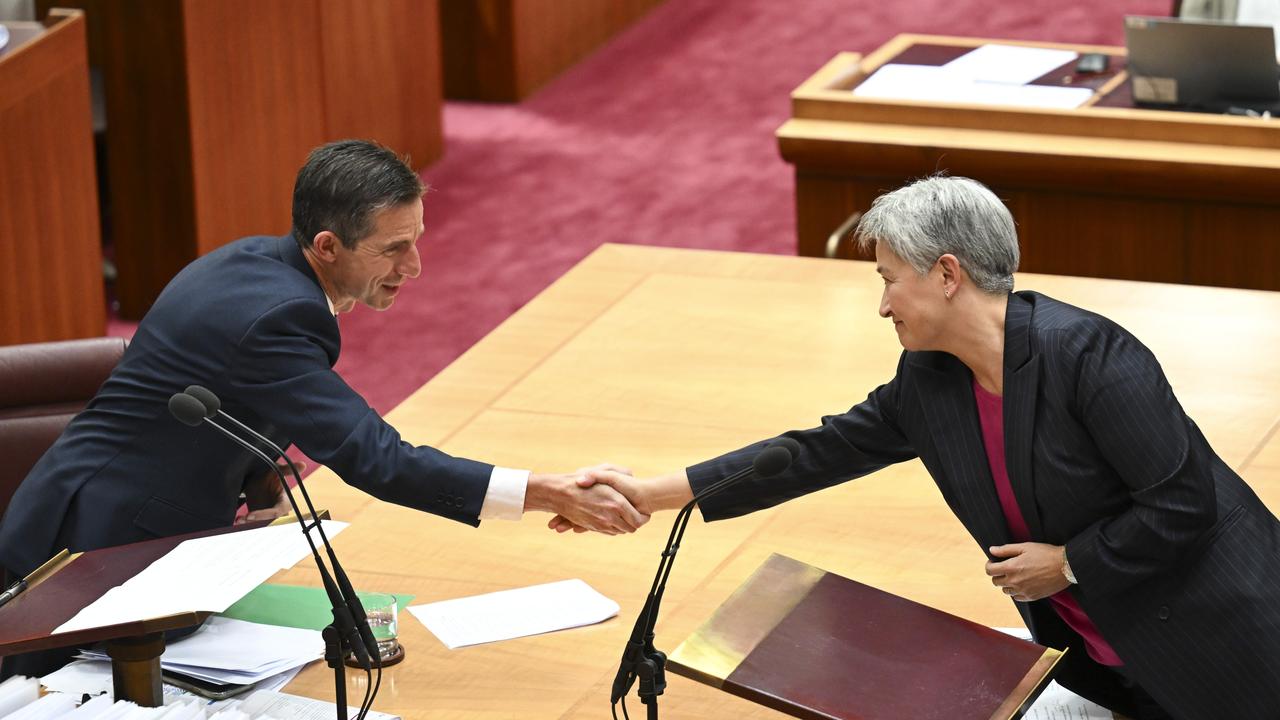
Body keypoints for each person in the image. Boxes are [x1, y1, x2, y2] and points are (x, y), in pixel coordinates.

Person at [560, 176, 1280, 719]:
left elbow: (1183, 505)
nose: (880, 305)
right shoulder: (931, 378)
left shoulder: (1092, 358)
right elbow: (820, 449)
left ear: (946, 273)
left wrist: (1068, 563)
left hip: (1222, 637)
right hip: (1106, 651)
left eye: (888, 279)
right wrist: (652, 494)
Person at [0, 139, 645, 679]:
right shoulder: (280, 316)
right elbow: (376, 459)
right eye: (394, 248)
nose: (414, 266)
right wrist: (547, 492)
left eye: (416, 239)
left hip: (107, 520)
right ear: (328, 244)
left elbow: (217, 394)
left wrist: (259, 472)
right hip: (95, 560)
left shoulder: (254, 262)